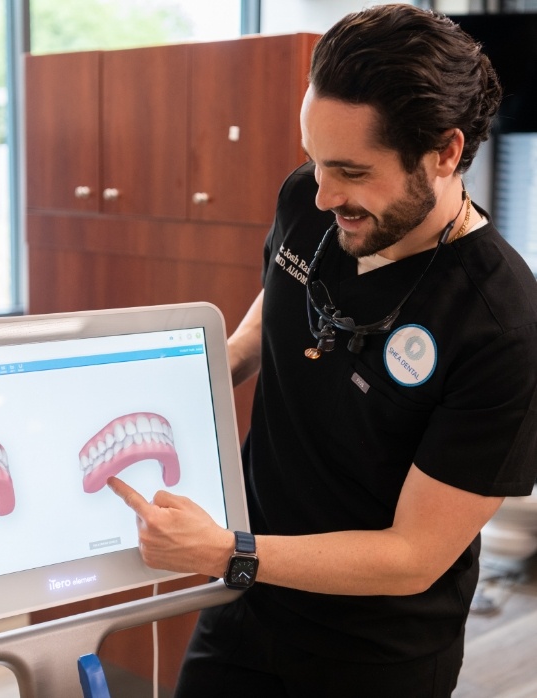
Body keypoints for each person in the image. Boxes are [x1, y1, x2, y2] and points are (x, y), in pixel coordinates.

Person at [109, 4, 537, 696]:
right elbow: (265, 325)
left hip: (372, 655)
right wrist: (153, 391)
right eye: (314, 160)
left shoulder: (501, 324)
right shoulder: (308, 200)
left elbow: (412, 555)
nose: (323, 192)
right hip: (244, 608)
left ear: (446, 152)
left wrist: (229, 552)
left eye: (352, 171)